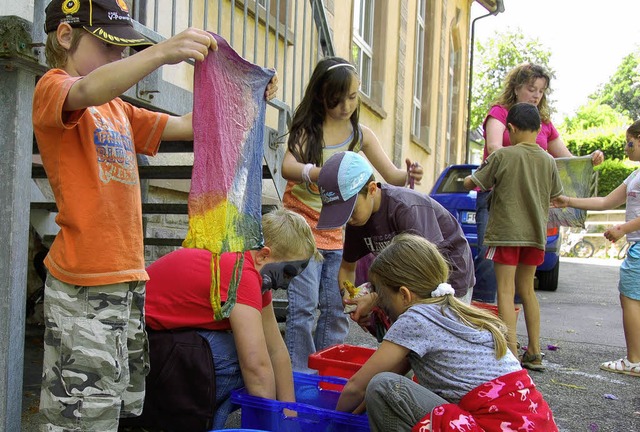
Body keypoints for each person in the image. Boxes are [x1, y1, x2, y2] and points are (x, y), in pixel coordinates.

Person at [33, 1, 276, 430]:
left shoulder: (120, 110)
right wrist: (163, 52)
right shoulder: (54, 88)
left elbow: (191, 126)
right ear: (66, 36)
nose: (120, 58)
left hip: (127, 281)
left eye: (126, 49)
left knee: (117, 407)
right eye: (110, 47)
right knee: (80, 414)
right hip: (83, 285)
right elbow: (87, 91)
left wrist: (243, 95)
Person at [280, 56, 423, 372]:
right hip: (302, 228)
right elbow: (287, 166)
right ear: (321, 96)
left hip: (336, 231)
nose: (346, 106)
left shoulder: (360, 134)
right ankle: (299, 375)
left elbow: (390, 174)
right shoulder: (309, 130)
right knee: (303, 307)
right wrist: (318, 173)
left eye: (353, 97)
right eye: (338, 99)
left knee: (334, 306)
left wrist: (409, 173)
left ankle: (329, 367)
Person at [334, 234, 558, 432]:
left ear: (404, 295)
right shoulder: (451, 308)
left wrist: (331, 422)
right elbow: (391, 377)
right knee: (407, 383)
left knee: (384, 386)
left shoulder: (416, 318)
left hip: (495, 424)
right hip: (529, 421)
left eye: (382, 295)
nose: (380, 303)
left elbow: (358, 387)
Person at [140, 208, 319, 429]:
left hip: (157, 340)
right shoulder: (241, 273)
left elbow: (277, 350)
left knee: (255, 359)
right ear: (264, 254)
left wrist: (290, 415)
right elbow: (257, 366)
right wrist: (274, 425)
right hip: (139, 345)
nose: (286, 284)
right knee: (242, 361)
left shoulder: (251, 271)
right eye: (288, 273)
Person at [474, 62, 604, 303]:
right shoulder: (499, 112)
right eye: (531, 88)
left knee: (523, 262)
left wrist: (589, 160)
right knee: (487, 256)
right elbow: (494, 148)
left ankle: (511, 329)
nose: (536, 95)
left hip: (531, 201)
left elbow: (565, 158)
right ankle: (482, 317)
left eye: (541, 91)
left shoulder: (543, 122)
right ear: (516, 88)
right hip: (497, 198)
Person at [316, 151, 474, 328]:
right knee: (405, 332)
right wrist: (349, 295)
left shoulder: (405, 209)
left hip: (447, 274)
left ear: (372, 189)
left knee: (441, 334)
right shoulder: (358, 220)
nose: (348, 220)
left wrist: (376, 299)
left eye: (350, 211)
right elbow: (347, 268)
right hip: (408, 279)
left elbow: (426, 276)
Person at [463, 103, 564, 370]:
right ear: (539, 129)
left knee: (505, 293)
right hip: (535, 235)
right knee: (527, 291)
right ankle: (535, 351)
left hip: (506, 234)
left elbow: (475, 182)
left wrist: (466, 180)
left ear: (512, 129)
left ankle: (510, 353)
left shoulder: (503, 156)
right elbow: (556, 194)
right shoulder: (548, 160)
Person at [551, 120, 640, 378]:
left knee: (631, 299)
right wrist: (567, 200)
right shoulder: (634, 176)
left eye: (629, 142)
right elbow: (604, 201)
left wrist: (622, 228)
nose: (626, 147)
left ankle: (634, 360)